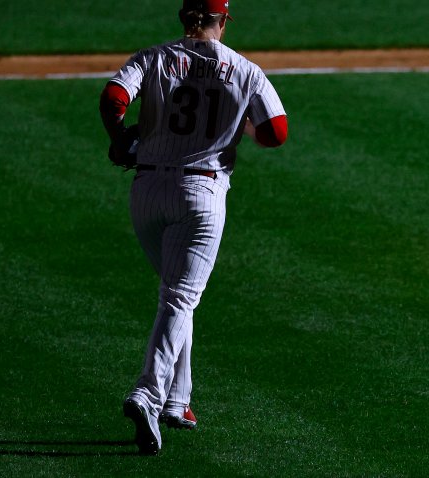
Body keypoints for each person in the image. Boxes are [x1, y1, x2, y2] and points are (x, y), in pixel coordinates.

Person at [99, 0, 288, 455]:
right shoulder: (245, 71)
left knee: (177, 293)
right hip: (201, 195)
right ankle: (147, 393)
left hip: (145, 192)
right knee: (180, 297)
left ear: (184, 19)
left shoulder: (154, 57)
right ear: (223, 21)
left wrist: (120, 137)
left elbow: (113, 98)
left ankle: (177, 401)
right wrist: (240, 127)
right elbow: (276, 131)